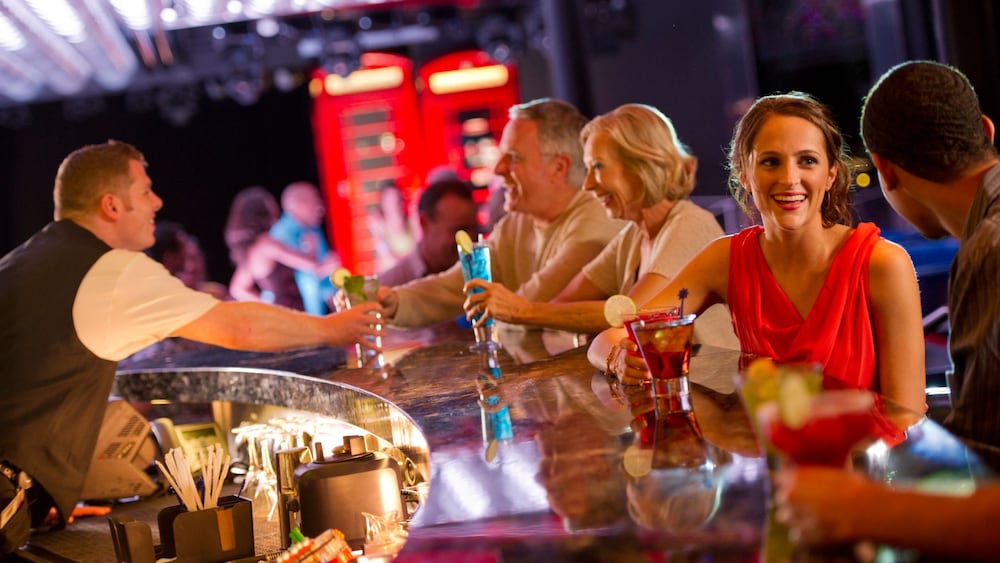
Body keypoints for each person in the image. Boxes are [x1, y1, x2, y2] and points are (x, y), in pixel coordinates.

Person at [0, 140, 381, 552]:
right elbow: (238, 328)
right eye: (145, 190)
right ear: (111, 205)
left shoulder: (21, 261)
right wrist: (333, 329)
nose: (157, 202)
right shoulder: (112, 271)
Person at [772, 61, 1000, 558]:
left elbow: (985, 470)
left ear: (886, 169)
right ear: (985, 130)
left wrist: (861, 507)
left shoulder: (991, 248)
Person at [589, 92, 926, 415]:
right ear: (745, 175)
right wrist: (618, 359)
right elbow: (611, 338)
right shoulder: (726, 259)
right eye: (770, 162)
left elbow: (906, 414)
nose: (790, 179)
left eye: (807, 161)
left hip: (861, 467)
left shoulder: (882, 263)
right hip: (771, 464)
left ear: (830, 174)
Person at [462, 103, 738, 349]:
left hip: (716, 392)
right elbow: (562, 303)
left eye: (597, 167)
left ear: (641, 166)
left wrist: (523, 311)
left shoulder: (689, 224)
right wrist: (527, 311)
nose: (588, 185)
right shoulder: (632, 235)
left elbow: (634, 317)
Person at [377, 98, 626, 328]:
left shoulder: (596, 219)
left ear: (559, 167)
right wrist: (391, 303)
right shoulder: (518, 222)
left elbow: (530, 308)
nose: (498, 169)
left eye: (513, 158)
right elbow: (455, 287)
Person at [225, 186, 336, 311]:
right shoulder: (268, 245)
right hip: (294, 316)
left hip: (283, 318)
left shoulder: (252, 253)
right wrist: (314, 248)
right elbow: (314, 266)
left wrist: (269, 308)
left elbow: (237, 288)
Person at [377, 178, 479, 287]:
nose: (470, 240)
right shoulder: (391, 287)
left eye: (474, 229)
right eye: (460, 231)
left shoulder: (478, 274)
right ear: (424, 223)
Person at [270, 181, 340, 315]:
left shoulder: (313, 231)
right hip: (288, 319)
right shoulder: (279, 236)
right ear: (299, 204)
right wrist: (328, 266)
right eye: (316, 201)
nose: (321, 208)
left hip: (312, 320)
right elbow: (309, 273)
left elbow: (326, 286)